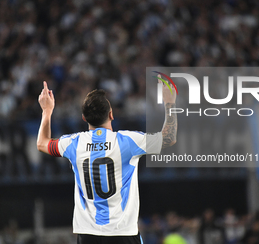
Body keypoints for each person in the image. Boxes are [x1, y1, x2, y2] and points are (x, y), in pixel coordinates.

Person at [36, 77, 177, 244]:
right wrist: (170, 103)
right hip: (122, 233)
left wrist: (47, 111)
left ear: (84, 118)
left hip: (88, 234)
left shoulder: (73, 144)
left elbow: (42, 143)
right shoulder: (128, 141)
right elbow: (169, 138)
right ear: (111, 114)